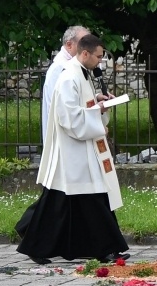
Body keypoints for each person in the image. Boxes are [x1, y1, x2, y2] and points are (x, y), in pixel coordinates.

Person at [17, 34, 128, 263]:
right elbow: (69, 117)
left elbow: (82, 103)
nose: (100, 61)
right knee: (78, 200)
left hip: (83, 149)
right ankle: (104, 248)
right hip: (73, 151)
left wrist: (98, 100)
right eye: (98, 56)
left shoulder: (81, 73)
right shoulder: (69, 77)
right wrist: (97, 120)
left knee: (79, 201)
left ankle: (103, 248)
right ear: (84, 53)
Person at [41, 26, 91, 146]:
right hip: (63, 138)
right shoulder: (60, 69)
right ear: (69, 45)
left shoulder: (75, 66)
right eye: (84, 43)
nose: (89, 48)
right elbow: (63, 109)